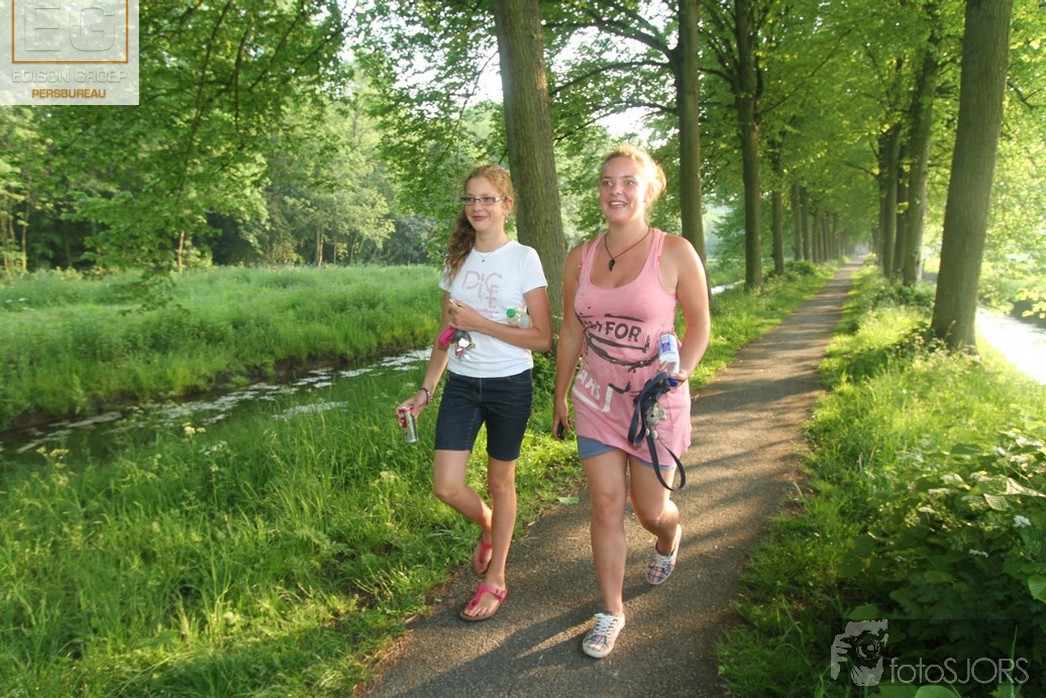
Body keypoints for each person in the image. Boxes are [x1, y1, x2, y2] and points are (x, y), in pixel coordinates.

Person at [553, 144, 710, 658]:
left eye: (627, 182)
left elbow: (699, 327)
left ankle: (668, 535)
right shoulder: (581, 256)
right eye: (606, 182)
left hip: (654, 403)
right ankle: (611, 610)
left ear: (648, 191)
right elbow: (571, 329)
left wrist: (679, 373)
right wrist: (559, 394)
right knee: (605, 504)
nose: (615, 191)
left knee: (649, 510)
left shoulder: (675, 252)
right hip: (596, 399)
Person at [398, 164, 551, 622]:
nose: (477, 207)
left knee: (501, 482)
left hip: (510, 384)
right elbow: (446, 333)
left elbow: (542, 337)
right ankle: (488, 524)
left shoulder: (524, 258)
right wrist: (426, 389)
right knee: (446, 485)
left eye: (487, 198)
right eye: (470, 198)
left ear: (507, 205)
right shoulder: (456, 260)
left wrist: (482, 324)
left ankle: (496, 577)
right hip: (463, 384)